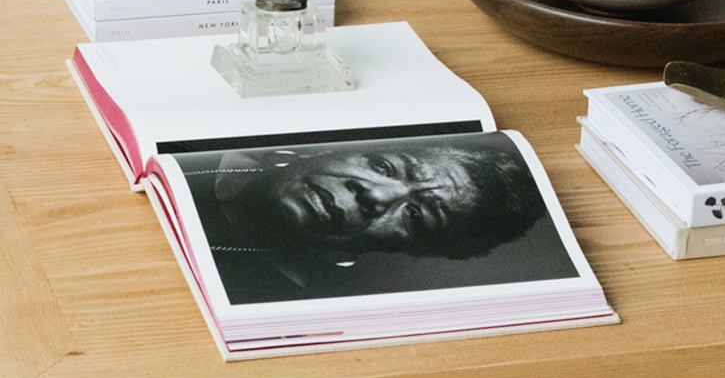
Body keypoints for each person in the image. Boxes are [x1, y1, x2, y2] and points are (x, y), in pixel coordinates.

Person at [177, 132, 550, 304]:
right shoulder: (194, 146)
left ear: (406, 249)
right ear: (333, 148)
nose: (374, 195)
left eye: (416, 216)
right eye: (383, 165)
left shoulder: (279, 305)